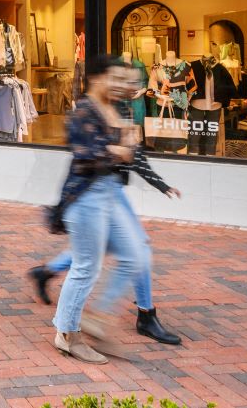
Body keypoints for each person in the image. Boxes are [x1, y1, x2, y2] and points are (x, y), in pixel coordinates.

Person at [47, 55, 147, 364]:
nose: (119, 84)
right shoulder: (82, 111)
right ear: (96, 78)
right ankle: (67, 334)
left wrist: (123, 147)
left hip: (109, 193)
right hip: (87, 197)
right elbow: (88, 154)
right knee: (86, 267)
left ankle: (98, 318)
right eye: (114, 78)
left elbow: (131, 152)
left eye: (123, 79)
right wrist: (120, 149)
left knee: (135, 255)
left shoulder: (115, 109)